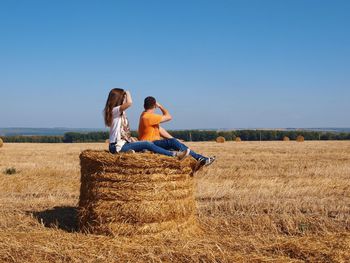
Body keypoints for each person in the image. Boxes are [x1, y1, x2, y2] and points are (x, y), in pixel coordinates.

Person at [104, 89, 190, 160]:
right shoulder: (114, 110)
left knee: (142, 145)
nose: (124, 99)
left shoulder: (120, 113)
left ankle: (131, 152)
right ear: (119, 99)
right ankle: (174, 155)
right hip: (116, 147)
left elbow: (123, 133)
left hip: (123, 144)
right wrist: (127, 92)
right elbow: (129, 103)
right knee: (147, 144)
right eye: (123, 98)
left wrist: (132, 140)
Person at [138, 96, 216, 167]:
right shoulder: (149, 117)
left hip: (152, 143)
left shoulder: (144, 115)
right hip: (151, 144)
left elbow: (160, 130)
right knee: (174, 143)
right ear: (155, 106)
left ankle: (197, 161)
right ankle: (200, 159)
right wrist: (160, 106)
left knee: (175, 143)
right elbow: (169, 117)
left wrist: (174, 139)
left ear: (144, 106)